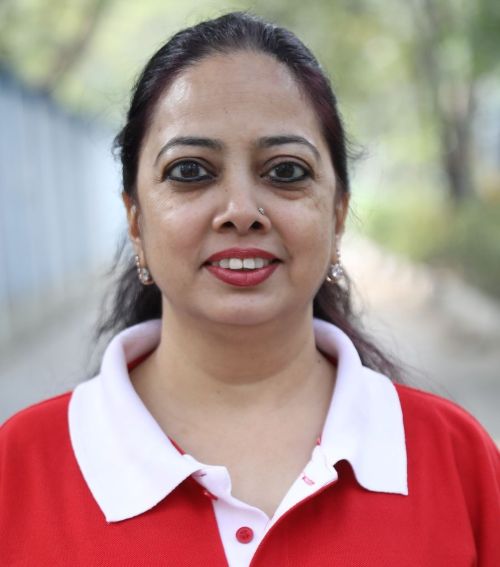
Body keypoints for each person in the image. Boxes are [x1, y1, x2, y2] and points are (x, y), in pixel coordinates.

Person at [1, 11, 499, 567]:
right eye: (190, 171)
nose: (241, 211)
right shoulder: (17, 469)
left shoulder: (459, 461)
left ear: (338, 214)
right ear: (136, 221)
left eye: (285, 172)